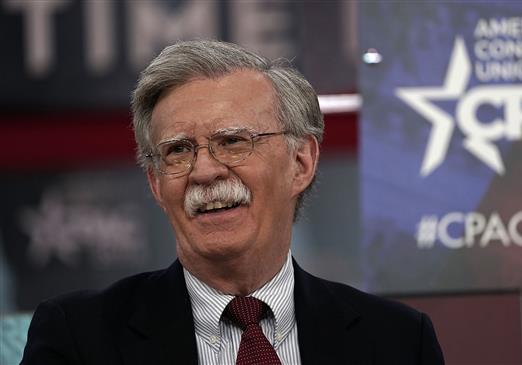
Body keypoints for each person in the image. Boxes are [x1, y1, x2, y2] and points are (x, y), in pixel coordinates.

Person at [21, 40, 444, 365]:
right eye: (179, 151)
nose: (204, 172)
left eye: (233, 142)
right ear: (154, 183)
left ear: (300, 163)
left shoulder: (398, 342)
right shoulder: (77, 339)